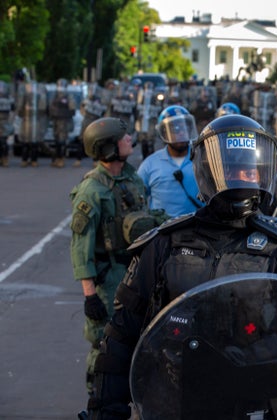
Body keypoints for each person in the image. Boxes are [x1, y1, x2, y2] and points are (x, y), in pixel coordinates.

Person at [85, 114, 277, 419]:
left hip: (259, 401)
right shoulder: (164, 243)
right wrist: (105, 410)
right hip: (171, 401)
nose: (243, 177)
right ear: (207, 170)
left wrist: (241, 360)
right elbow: (121, 336)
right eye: (232, 169)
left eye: (250, 169)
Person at [69, 117, 163, 397]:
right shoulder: (92, 190)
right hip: (109, 278)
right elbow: (80, 246)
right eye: (123, 137)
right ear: (108, 146)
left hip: (136, 271)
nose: (130, 140)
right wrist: (90, 296)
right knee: (105, 341)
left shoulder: (130, 177)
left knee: (140, 335)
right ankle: (96, 396)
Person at [137, 105, 202, 217]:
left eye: (184, 128)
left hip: (199, 227)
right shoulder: (150, 164)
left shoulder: (203, 159)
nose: (181, 133)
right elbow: (137, 197)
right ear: (164, 132)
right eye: (175, 129)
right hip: (163, 230)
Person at [48, 78, 77, 168]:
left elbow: (73, 109)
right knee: (56, 140)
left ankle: (61, 159)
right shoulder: (54, 95)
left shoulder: (68, 96)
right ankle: (56, 158)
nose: (60, 87)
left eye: (62, 85)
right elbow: (50, 106)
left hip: (64, 121)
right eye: (59, 85)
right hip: (56, 121)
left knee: (62, 141)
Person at [0, 80, 15, 167]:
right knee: (3, 141)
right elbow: (13, 108)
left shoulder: (9, 98)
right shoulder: (9, 98)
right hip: (5, 122)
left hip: (4, 122)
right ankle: (4, 158)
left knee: (3, 141)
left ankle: (4, 158)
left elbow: (13, 108)